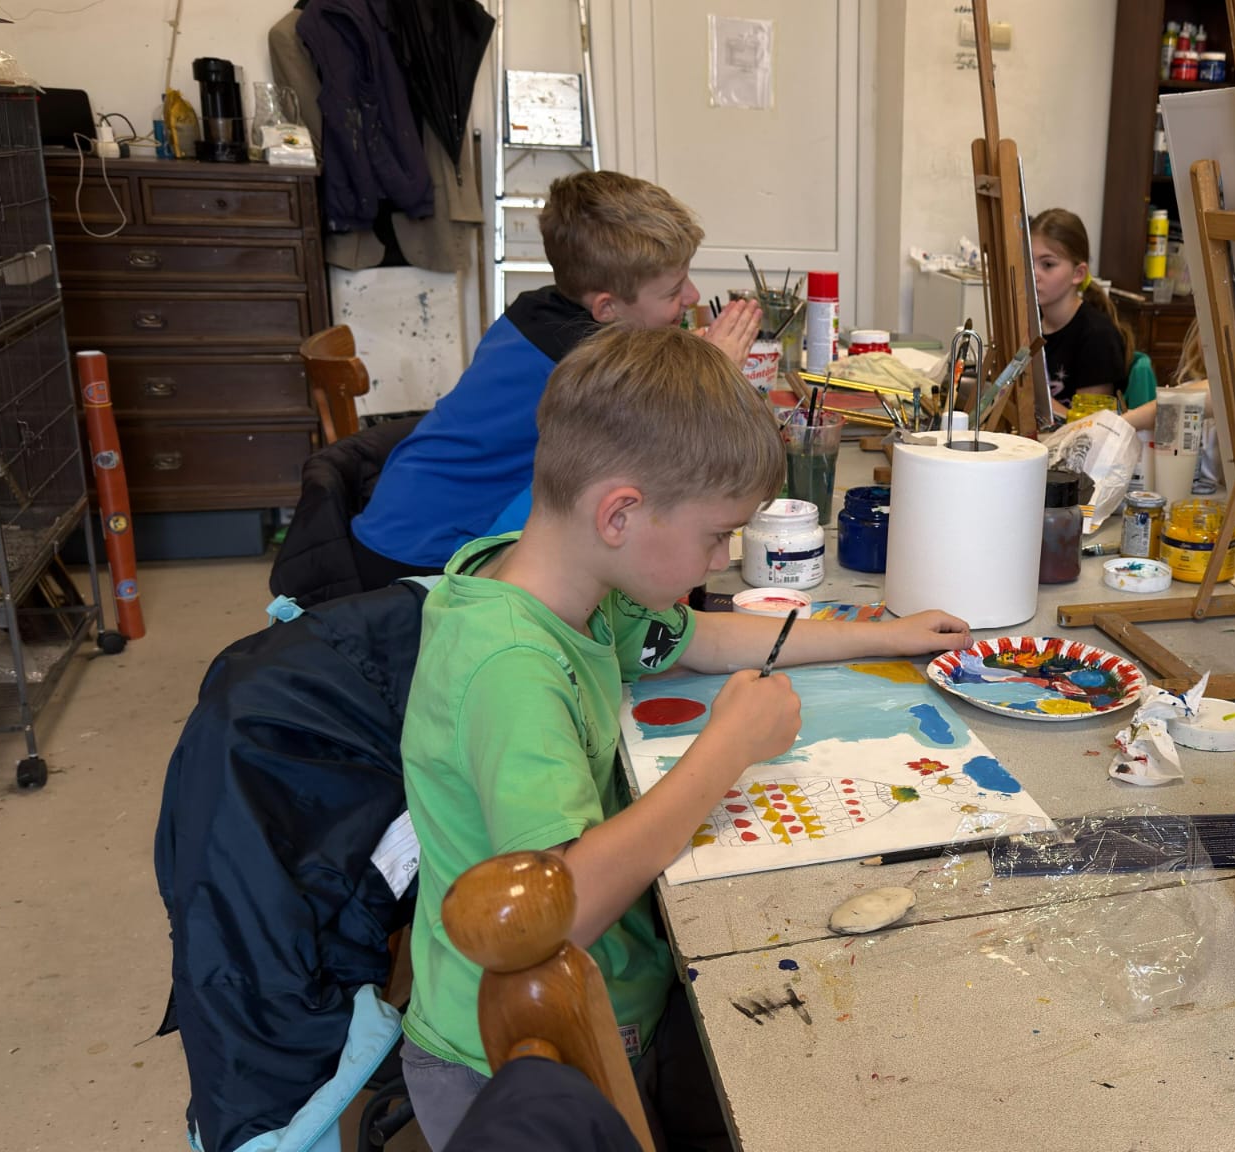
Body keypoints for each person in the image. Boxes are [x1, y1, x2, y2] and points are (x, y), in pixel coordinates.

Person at [396, 325, 971, 1150]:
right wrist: (726, 748)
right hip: (518, 1060)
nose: (722, 557)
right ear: (621, 513)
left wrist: (883, 634)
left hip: (606, 1006)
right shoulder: (511, 668)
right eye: (714, 535)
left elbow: (700, 639)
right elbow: (561, 911)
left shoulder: (573, 581)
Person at [348, 171, 763, 588]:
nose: (692, 296)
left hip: (401, 520)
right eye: (673, 291)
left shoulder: (540, 312)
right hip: (422, 557)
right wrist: (712, 370)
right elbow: (662, 443)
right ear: (607, 308)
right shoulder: (579, 366)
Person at [1030, 208, 1133, 416]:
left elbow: (1091, 424)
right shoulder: (1031, 323)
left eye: (1047, 264)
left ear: (1078, 274)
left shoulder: (1098, 336)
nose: (1034, 274)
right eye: (1029, 262)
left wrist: (1032, 397)